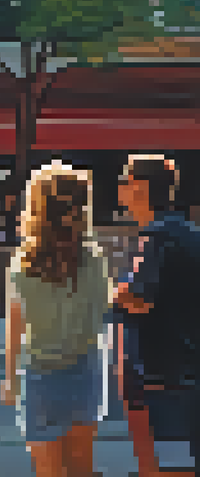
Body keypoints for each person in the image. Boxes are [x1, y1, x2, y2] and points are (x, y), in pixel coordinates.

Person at [2, 165, 110, 477]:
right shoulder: (93, 259)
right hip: (86, 369)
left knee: (49, 471)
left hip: (40, 373)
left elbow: (15, 324)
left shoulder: (23, 262)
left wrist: (10, 378)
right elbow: (104, 314)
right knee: (81, 469)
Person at [115, 154, 200, 477]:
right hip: (189, 368)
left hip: (166, 376)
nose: (120, 190)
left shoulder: (156, 238)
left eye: (125, 182)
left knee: (173, 463)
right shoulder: (190, 233)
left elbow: (140, 299)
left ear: (141, 187)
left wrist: (114, 293)